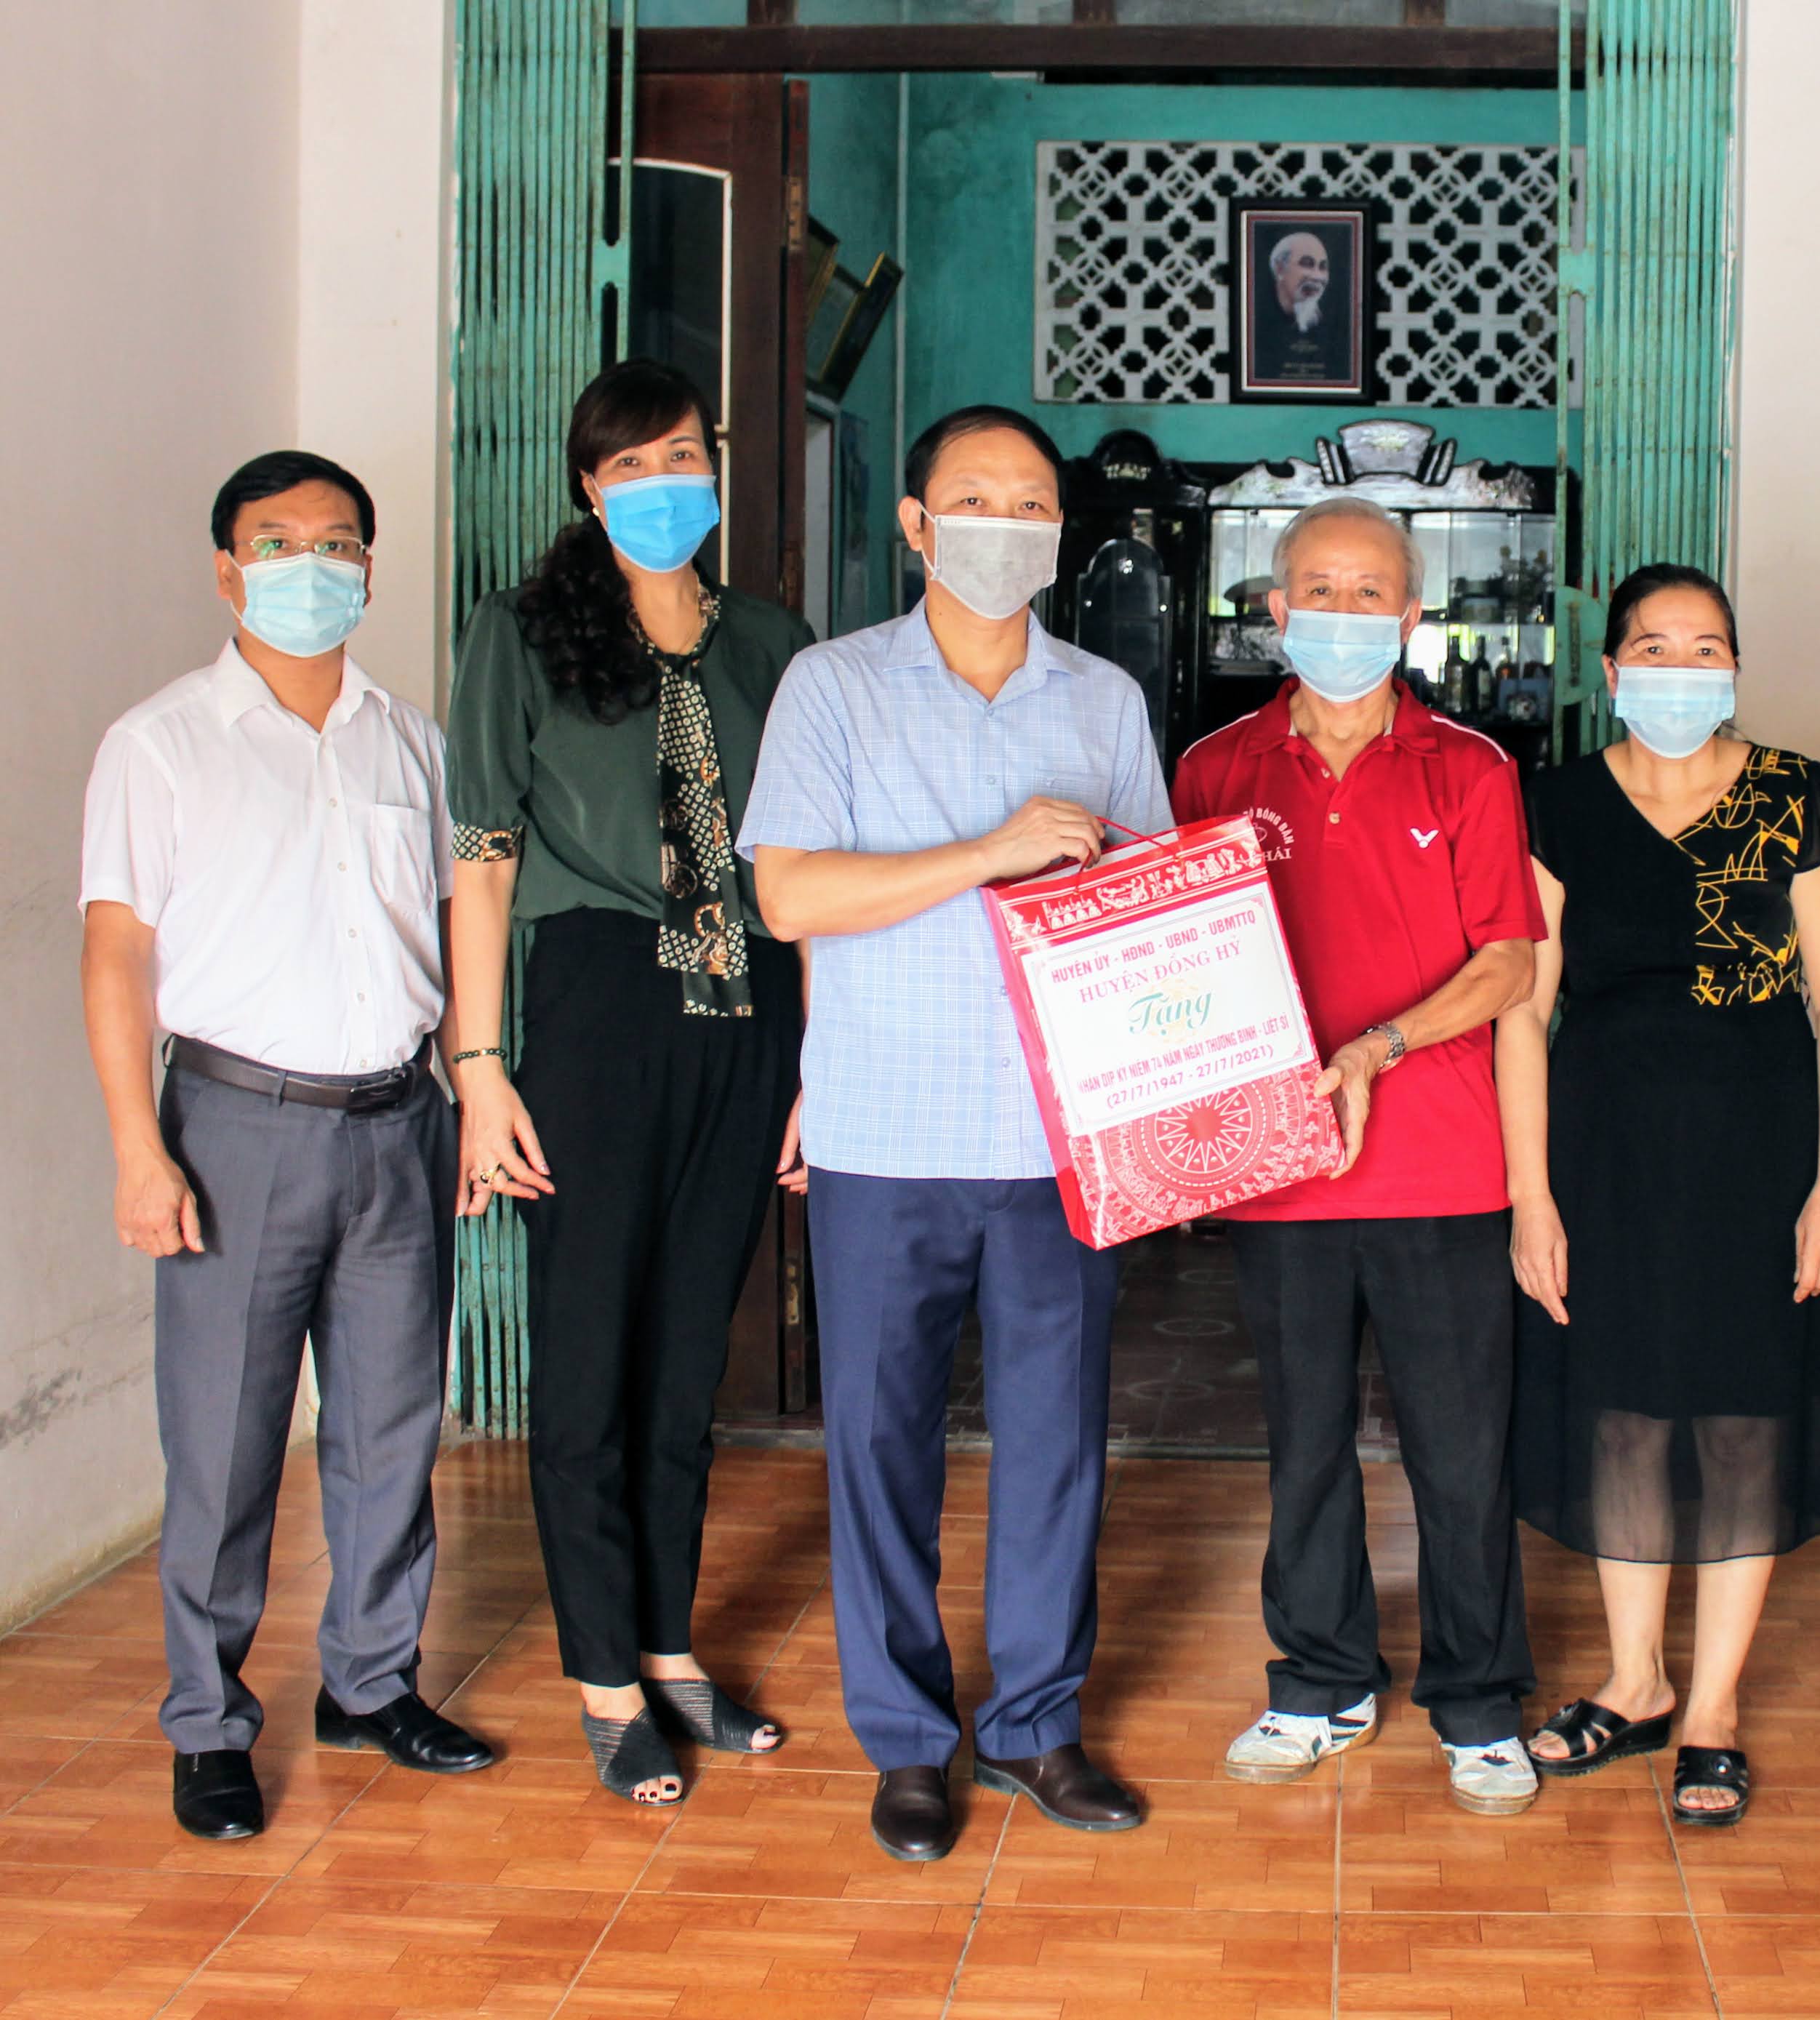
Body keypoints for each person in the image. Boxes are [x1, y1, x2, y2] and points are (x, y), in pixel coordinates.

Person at [742, 404, 1169, 1862]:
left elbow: (1150, 911)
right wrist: (990, 853)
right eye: (974, 500)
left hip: (1057, 1140)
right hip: (885, 1126)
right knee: (878, 1445)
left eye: (1030, 504)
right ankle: (910, 1743)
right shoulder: (832, 686)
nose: (1005, 526)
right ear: (916, 524)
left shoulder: (1102, 701)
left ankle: (1037, 1726)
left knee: (1056, 1446)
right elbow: (791, 896)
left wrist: (1170, 1113)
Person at [81, 451, 496, 1843]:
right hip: (234, 1129)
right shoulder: (160, 743)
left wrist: (468, 1098)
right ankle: (208, 1723)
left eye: (336, 543)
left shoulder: (413, 744)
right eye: (277, 542)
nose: (310, 565)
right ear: (227, 569)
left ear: (369, 567)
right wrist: (138, 1148)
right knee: (226, 1441)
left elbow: (455, 932)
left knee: (391, 1426)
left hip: (397, 1121)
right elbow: (116, 952)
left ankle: (372, 1682)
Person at [445, 360, 814, 1806]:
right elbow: (482, 865)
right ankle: (604, 1677)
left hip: (747, 1009)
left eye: (681, 457)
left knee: (682, 1365)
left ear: (713, 468)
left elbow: (807, 868)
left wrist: (816, 1064)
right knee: (589, 1357)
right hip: (598, 1008)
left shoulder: (771, 642)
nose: (662, 484)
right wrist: (480, 1066)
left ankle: (668, 1649)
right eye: (630, 464)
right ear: (587, 487)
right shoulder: (521, 632)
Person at [1171, 494, 1547, 1817]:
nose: (1342, 612)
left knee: (1460, 1449)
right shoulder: (1215, 767)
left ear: (1410, 614)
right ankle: (1318, 1679)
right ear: (1277, 609)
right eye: (1317, 590)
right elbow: (1177, 960)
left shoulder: (1470, 768)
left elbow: (1508, 962)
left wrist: (1376, 1049)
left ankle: (1479, 1700)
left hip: (1441, 1164)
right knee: (1306, 1444)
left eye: (1370, 591)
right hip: (1282, 1167)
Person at [1501, 564, 1820, 1829]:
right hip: (1601, 1157)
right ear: (1610, 670)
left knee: (1740, 1417)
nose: (1678, 669)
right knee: (1618, 1413)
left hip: (1760, 1155)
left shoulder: (1792, 793)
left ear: (1733, 666)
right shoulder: (1556, 802)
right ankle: (1635, 1679)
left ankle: (1710, 1706)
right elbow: (1524, 1008)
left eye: (1703, 646)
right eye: (1651, 648)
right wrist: (1530, 1195)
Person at [1250, 227, 1351, 388]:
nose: (1317, 276)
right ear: (1280, 269)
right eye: (1307, 264)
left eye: (1323, 267)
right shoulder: (1255, 326)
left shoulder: (1340, 332)